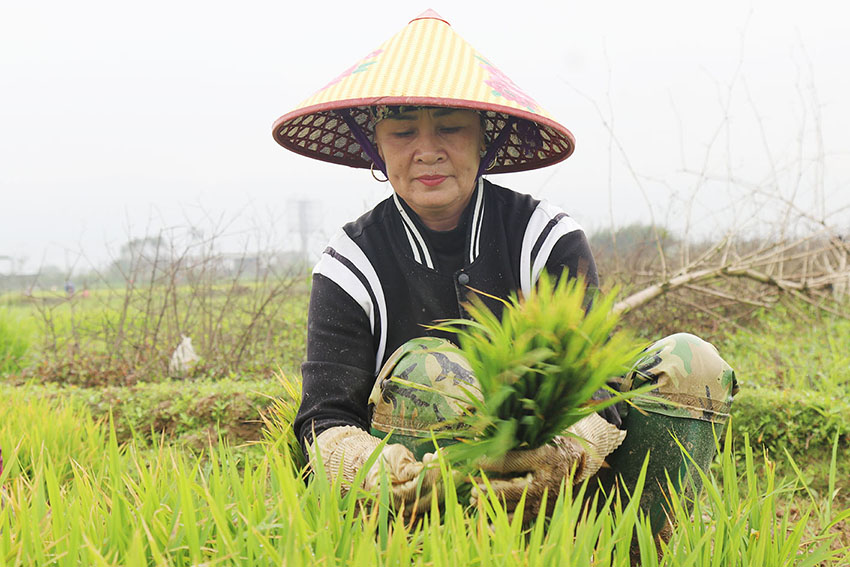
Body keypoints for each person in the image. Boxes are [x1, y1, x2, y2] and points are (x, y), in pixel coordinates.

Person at [274, 10, 737, 528]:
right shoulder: (351, 263)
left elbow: (598, 386)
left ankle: (631, 546)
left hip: (562, 491)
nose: (427, 152)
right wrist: (379, 469)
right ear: (375, 146)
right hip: (419, 504)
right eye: (403, 132)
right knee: (431, 370)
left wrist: (562, 453)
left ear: (484, 138)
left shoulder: (547, 239)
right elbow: (325, 418)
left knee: (692, 363)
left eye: (450, 128)